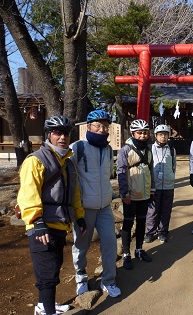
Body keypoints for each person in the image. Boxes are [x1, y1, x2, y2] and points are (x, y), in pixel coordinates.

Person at [17, 115, 86, 315]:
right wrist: (37, 221)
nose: (62, 137)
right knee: (46, 273)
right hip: (41, 226)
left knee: (54, 267)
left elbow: (74, 194)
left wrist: (79, 216)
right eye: (57, 132)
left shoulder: (68, 162)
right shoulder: (36, 160)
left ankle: (43, 305)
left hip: (59, 223)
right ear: (49, 135)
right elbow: (28, 194)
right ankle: (47, 312)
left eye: (66, 132)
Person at [70, 110, 121, 298]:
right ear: (88, 127)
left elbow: (108, 175)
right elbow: (67, 176)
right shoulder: (77, 147)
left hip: (104, 207)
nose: (101, 129)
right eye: (97, 125)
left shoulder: (107, 149)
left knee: (109, 243)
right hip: (84, 208)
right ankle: (81, 279)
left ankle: (108, 280)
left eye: (105, 126)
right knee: (81, 246)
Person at [117, 119, 155, 270]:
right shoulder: (125, 150)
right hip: (131, 194)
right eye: (140, 132)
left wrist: (152, 189)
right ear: (133, 133)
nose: (143, 135)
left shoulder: (148, 149)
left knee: (141, 222)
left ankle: (139, 249)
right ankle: (126, 254)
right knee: (128, 223)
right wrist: (124, 193)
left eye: (145, 132)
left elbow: (150, 170)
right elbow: (120, 172)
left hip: (145, 193)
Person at [145, 124, 176, 243]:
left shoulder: (171, 150)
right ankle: (150, 232)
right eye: (160, 135)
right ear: (156, 136)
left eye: (165, 135)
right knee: (152, 210)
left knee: (166, 210)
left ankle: (163, 231)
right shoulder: (150, 149)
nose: (163, 137)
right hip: (154, 185)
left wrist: (171, 178)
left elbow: (174, 166)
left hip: (168, 185)